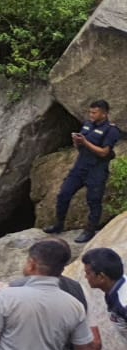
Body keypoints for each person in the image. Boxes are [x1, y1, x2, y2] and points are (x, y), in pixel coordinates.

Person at [50, 100, 120, 244]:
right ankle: (58, 224)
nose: (91, 115)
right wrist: (77, 141)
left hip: (97, 170)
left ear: (104, 113)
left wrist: (86, 143)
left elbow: (104, 152)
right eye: (90, 112)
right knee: (64, 193)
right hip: (80, 167)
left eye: (94, 112)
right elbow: (80, 148)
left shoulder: (111, 130)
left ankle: (89, 231)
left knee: (94, 201)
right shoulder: (87, 125)